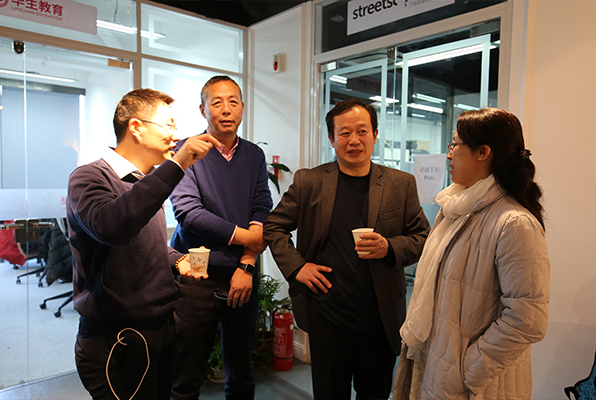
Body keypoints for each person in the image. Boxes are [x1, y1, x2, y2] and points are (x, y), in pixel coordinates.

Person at [263, 98, 430, 400]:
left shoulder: (400, 184)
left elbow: (422, 237)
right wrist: (298, 267)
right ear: (332, 139)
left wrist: (389, 247)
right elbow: (273, 226)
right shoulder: (310, 182)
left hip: (380, 322)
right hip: (327, 318)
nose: (354, 140)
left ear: (375, 135)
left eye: (362, 131)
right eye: (344, 133)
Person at [67, 88, 219, 400]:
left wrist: (177, 259)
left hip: (159, 325)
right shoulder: (89, 177)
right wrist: (177, 165)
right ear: (136, 127)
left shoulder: (144, 181)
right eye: (169, 125)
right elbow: (112, 227)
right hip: (116, 336)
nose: (175, 135)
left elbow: (144, 245)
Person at [393, 107, 551, 400]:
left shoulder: (514, 223)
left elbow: (527, 320)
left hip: (477, 386)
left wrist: (467, 370)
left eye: (454, 144)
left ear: (483, 152)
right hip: (438, 364)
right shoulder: (456, 209)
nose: (449, 154)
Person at [169, 76, 273, 400]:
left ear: (242, 107)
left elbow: (262, 205)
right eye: (217, 102)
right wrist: (246, 238)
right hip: (196, 268)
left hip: (242, 271)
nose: (226, 110)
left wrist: (246, 264)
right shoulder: (186, 150)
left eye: (233, 102)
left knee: (241, 370)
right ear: (203, 110)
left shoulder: (254, 154)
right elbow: (188, 212)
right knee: (187, 370)